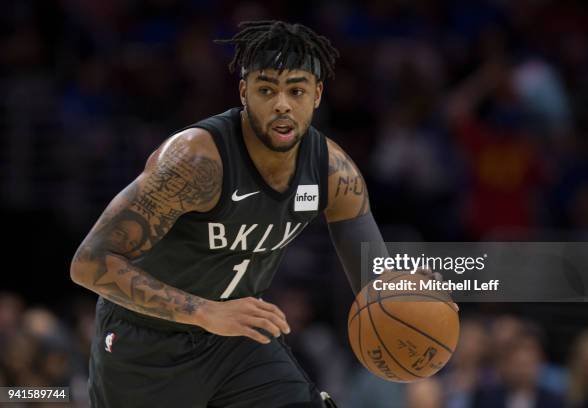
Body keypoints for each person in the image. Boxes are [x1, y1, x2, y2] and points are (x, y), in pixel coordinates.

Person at [70, 20, 390, 408]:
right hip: (145, 344)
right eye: (266, 89)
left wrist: (408, 294)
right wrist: (204, 312)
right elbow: (89, 263)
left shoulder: (333, 172)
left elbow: (376, 284)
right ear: (244, 92)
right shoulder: (196, 161)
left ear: (317, 94)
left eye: (297, 90)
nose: (282, 104)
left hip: (236, 338)